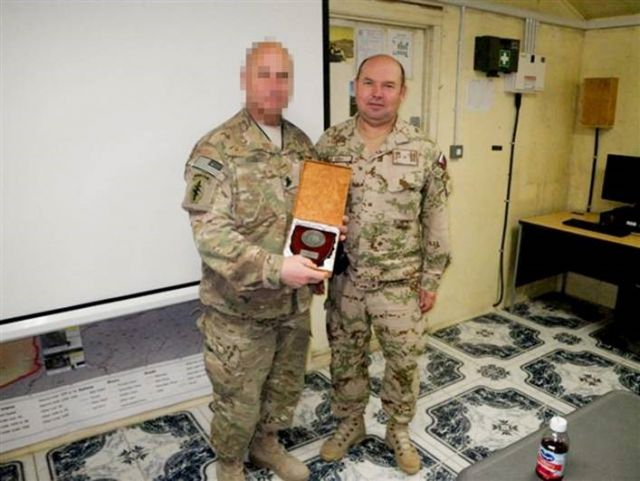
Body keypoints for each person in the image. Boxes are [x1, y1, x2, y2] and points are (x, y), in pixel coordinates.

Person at [182, 41, 328, 481]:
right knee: (237, 400)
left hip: (292, 306)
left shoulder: (301, 144)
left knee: (284, 387)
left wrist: (325, 249)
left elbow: (314, 218)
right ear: (245, 79)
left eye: (283, 76)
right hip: (239, 313)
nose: (274, 85)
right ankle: (230, 464)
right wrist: (276, 268)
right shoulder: (216, 149)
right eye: (264, 74)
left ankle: (266, 446)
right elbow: (211, 235)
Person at [315, 54, 452, 475]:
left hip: (400, 283)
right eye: (369, 83)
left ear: (402, 92)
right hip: (346, 281)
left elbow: (436, 218)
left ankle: (398, 429)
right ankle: (350, 423)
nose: (377, 93)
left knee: (404, 362)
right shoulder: (330, 144)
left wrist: (431, 278)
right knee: (345, 358)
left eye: (388, 85)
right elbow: (315, 213)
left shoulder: (423, 149)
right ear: (355, 87)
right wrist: (315, 266)